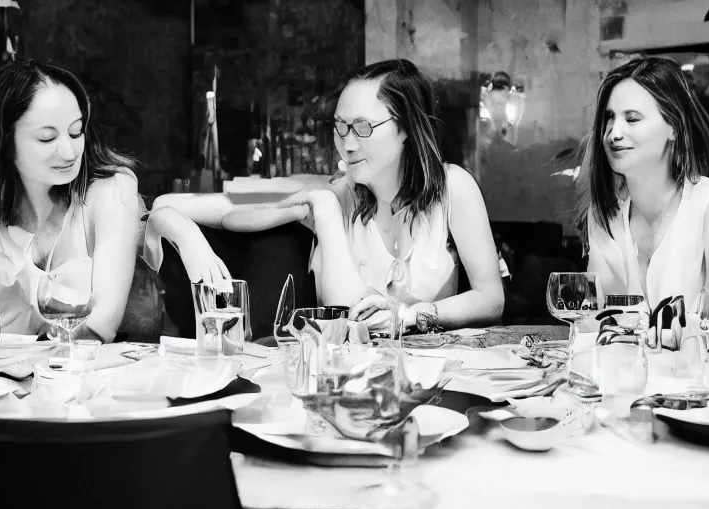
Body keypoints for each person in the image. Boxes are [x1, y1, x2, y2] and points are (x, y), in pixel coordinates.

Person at [154, 59, 503, 333]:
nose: (347, 144)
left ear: (406, 130)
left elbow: (490, 300)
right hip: (353, 378)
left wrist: (411, 316)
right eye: (340, 126)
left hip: (440, 377)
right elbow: (169, 206)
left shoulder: (452, 187)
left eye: (363, 127)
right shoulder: (338, 194)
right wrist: (189, 240)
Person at [0, 59, 143, 343]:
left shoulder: (111, 192)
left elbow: (101, 325)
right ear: (5, 142)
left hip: (84, 376)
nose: (69, 152)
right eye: (47, 138)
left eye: (76, 131)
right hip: (2, 381)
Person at [576, 56, 709, 316]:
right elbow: (595, 321)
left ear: (674, 127)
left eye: (632, 119)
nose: (614, 133)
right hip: (628, 357)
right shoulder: (604, 215)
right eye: (610, 119)